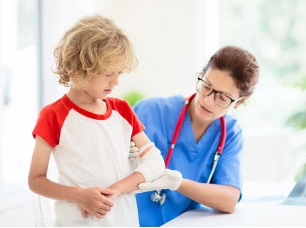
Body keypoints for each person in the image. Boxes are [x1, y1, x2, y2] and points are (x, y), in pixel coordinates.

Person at [28, 14, 180, 226]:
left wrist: (117, 190)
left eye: (119, 72)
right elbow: (36, 181)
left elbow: (155, 161)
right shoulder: (53, 115)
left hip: (124, 221)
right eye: (109, 72)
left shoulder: (122, 111)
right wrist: (79, 195)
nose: (116, 81)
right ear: (81, 67)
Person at [131, 45, 259, 226]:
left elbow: (229, 200)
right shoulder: (149, 111)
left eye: (222, 98)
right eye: (206, 86)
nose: (208, 100)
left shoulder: (229, 133)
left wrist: (178, 184)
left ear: (239, 102)